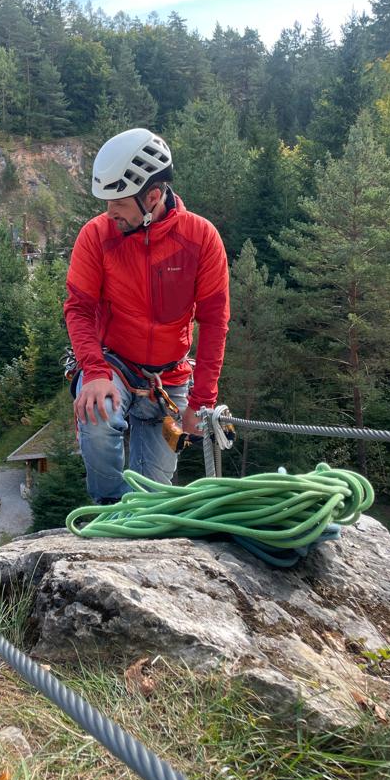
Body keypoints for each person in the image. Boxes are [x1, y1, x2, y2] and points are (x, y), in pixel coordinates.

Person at [64, 128, 230, 503]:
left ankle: (142, 517)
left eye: (118, 203)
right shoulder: (96, 236)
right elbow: (78, 307)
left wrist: (202, 401)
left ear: (152, 196)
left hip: (168, 379)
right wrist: (93, 371)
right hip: (115, 366)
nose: (109, 212)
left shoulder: (200, 239)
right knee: (98, 415)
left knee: (154, 493)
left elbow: (215, 322)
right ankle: (109, 510)